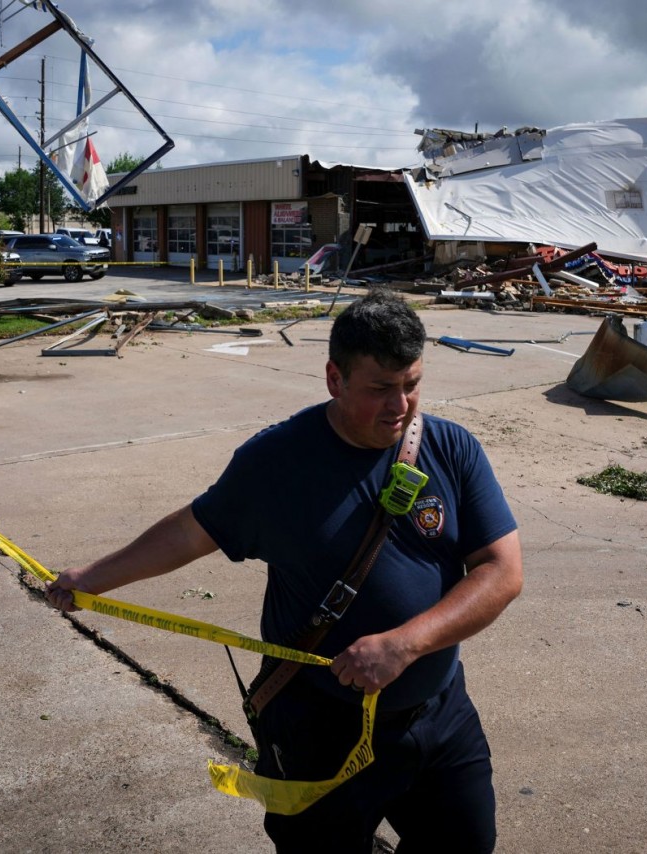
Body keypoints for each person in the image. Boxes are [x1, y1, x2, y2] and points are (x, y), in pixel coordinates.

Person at [46, 289, 523, 853]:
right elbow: (189, 532)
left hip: (440, 715)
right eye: (379, 389)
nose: (401, 406)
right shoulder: (276, 464)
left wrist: (406, 644)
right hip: (321, 728)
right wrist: (92, 579)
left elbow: (501, 571)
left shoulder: (450, 448)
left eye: (411, 384)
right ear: (334, 379)